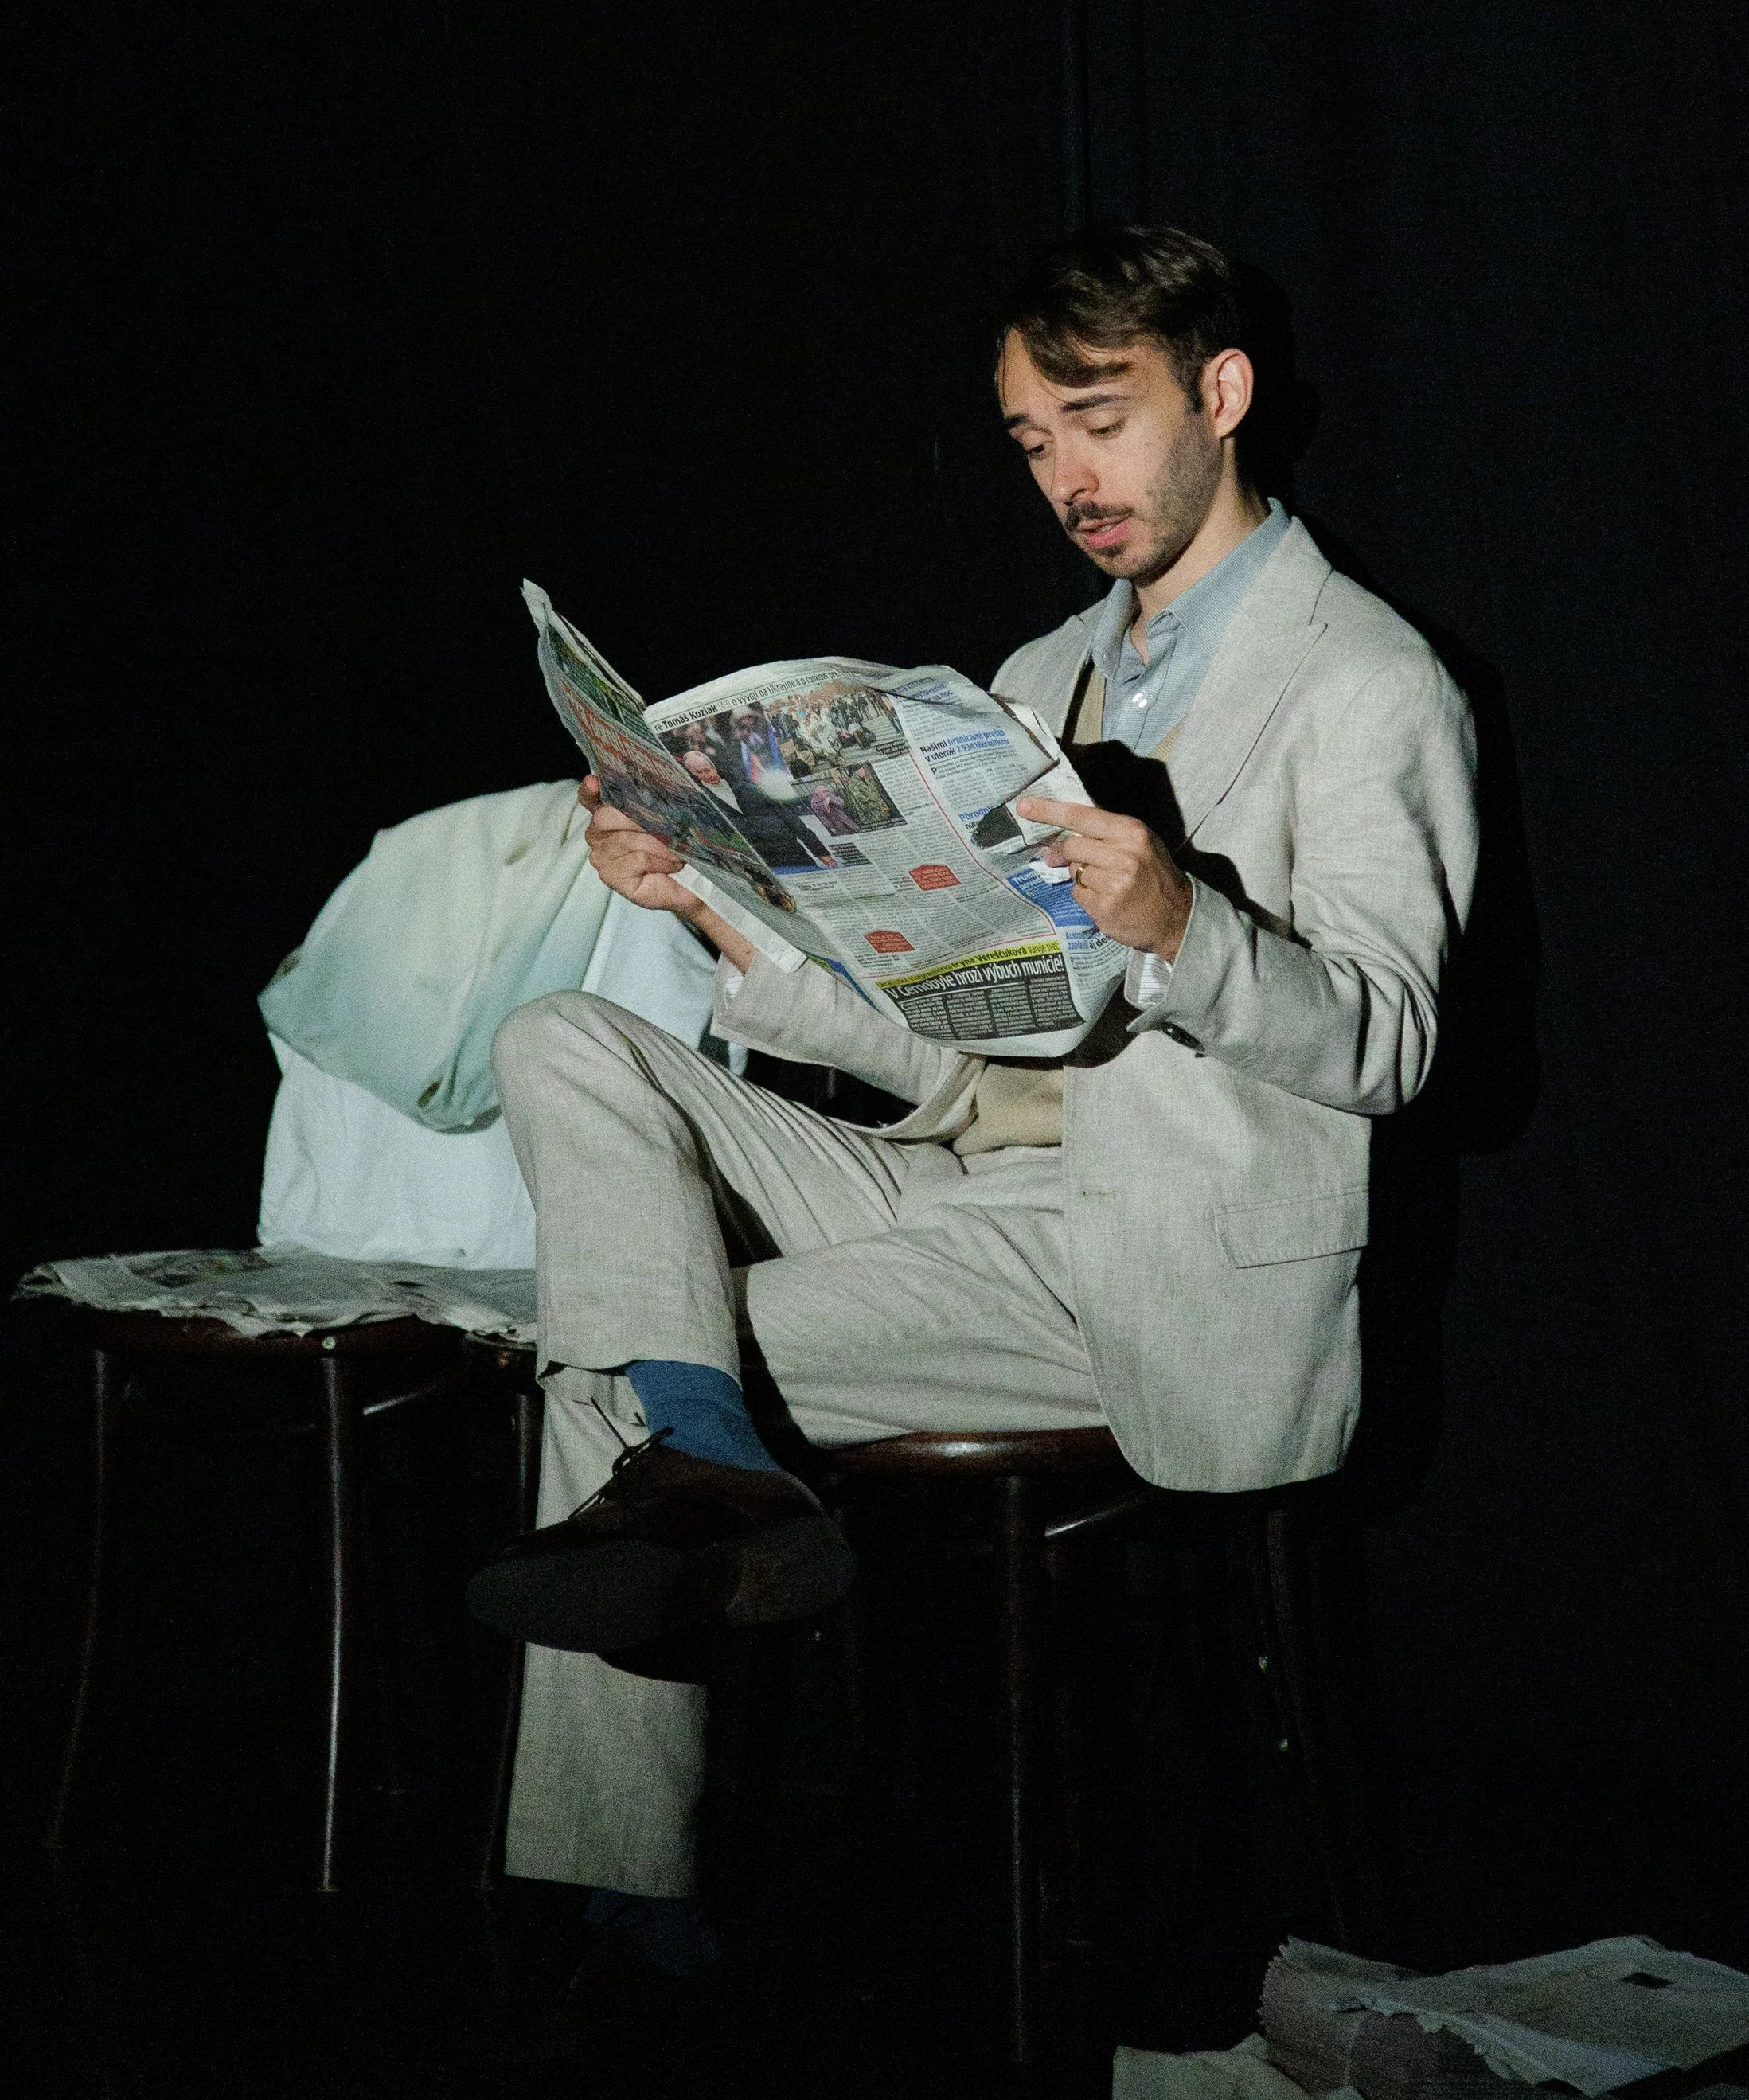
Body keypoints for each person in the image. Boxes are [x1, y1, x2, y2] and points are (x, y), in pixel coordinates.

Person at [467, 220, 1478, 1977]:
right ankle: (704, 1472)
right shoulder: (1022, 688)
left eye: (1100, 419)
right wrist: (704, 896)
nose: (1067, 477)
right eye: (1031, 441)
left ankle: (614, 1890)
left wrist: (1181, 929)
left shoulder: (1366, 681)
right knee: (562, 1035)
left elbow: (1389, 1044)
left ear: (1219, 393)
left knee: (619, 1339)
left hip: (1150, 1253)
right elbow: (945, 1052)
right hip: (974, 1183)